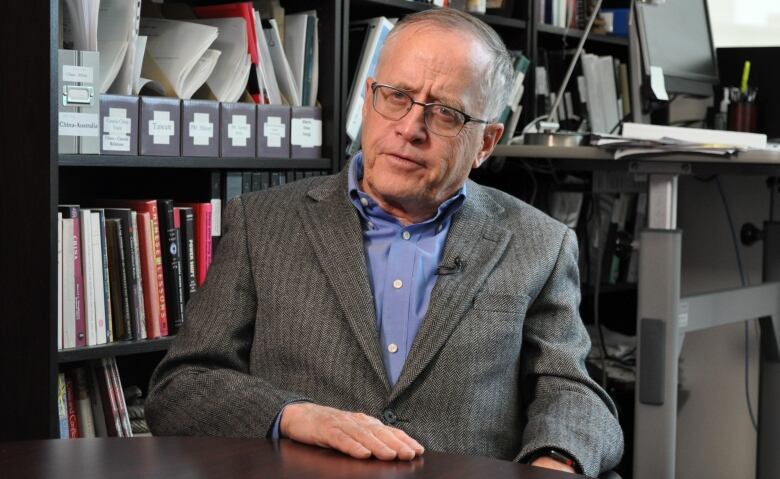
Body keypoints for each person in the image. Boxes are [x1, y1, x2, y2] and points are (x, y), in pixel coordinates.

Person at [146, 8, 623, 477]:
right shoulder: (262, 223)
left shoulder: (539, 242)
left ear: (485, 143)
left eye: (445, 114)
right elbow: (180, 388)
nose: (410, 129)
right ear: (368, 99)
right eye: (396, 96)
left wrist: (555, 462)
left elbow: (572, 391)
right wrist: (295, 415)